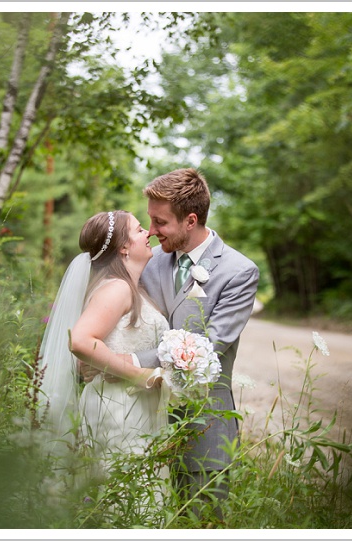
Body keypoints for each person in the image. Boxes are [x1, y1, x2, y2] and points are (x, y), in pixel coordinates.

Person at [83, 168, 260, 522]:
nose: (151, 231)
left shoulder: (239, 272)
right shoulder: (145, 261)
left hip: (202, 425)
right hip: (140, 423)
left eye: (160, 222)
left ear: (190, 220)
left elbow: (209, 346)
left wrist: (125, 361)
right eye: (148, 221)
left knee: (201, 521)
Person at [38, 210, 168, 472]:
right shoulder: (117, 288)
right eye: (139, 229)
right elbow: (81, 341)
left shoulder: (124, 286)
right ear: (123, 247)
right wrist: (139, 374)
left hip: (130, 404)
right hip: (119, 406)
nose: (148, 233)